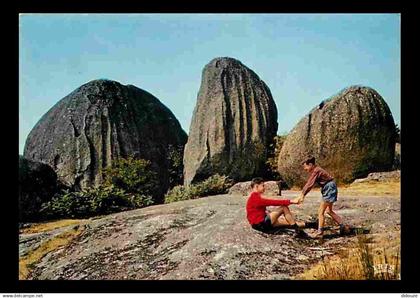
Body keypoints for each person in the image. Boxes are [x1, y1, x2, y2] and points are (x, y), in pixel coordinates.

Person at [296, 156, 345, 238]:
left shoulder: (316, 170)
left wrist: (302, 195)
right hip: (330, 187)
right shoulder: (317, 170)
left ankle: (320, 233)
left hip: (329, 188)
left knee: (320, 212)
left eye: (305, 167)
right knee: (329, 211)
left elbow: (310, 184)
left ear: (311, 164)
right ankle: (343, 226)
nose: (305, 169)